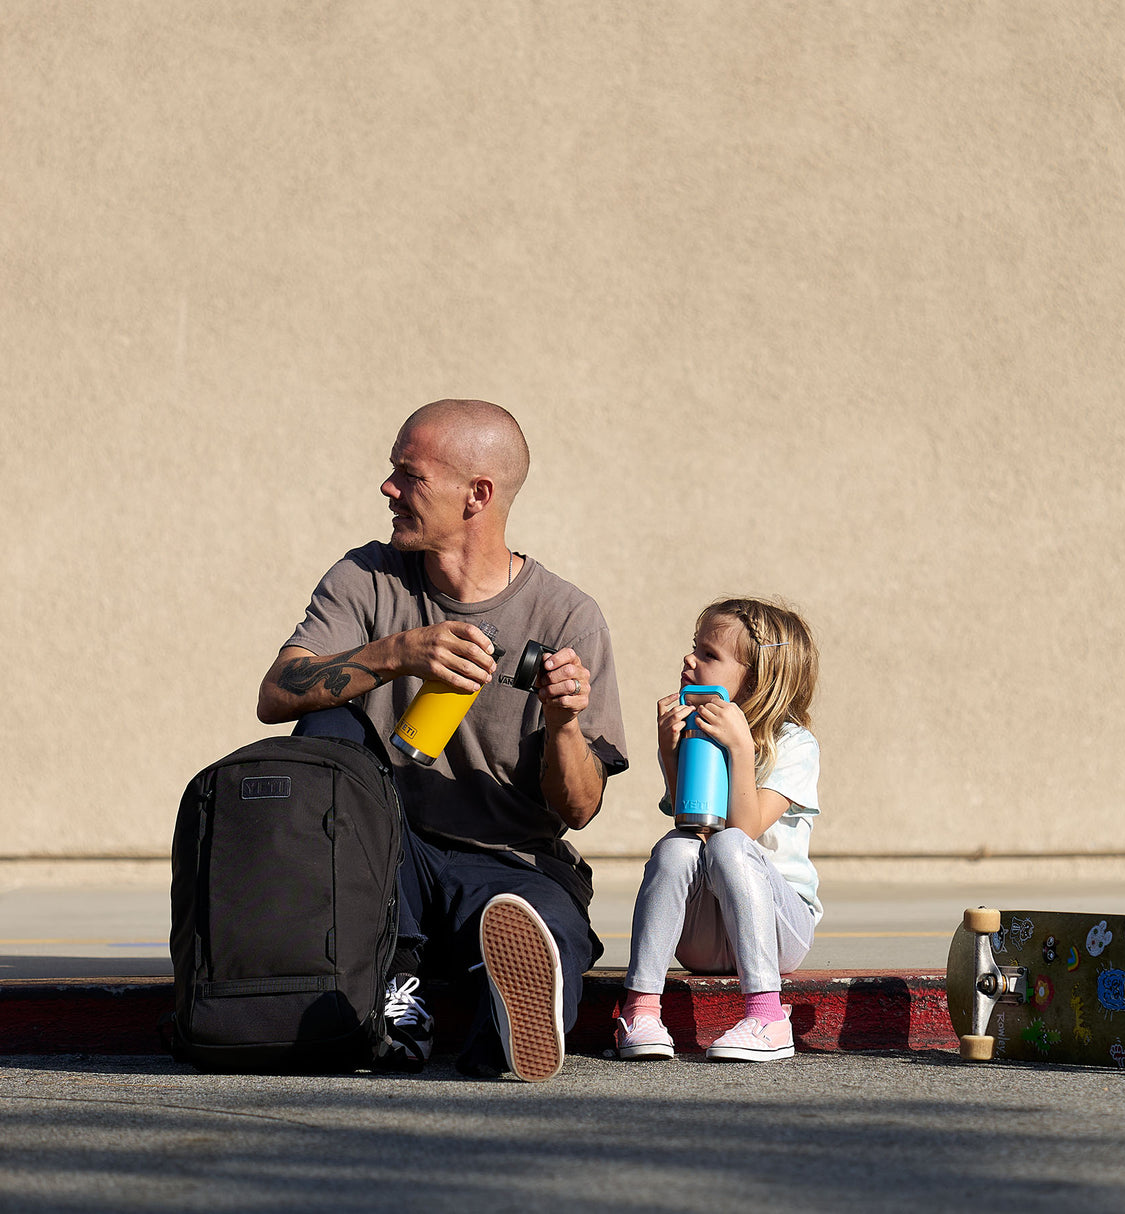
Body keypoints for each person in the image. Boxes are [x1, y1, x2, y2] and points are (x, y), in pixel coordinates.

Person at [257, 399, 627, 1082]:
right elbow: (276, 693)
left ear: (476, 496)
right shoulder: (367, 577)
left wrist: (565, 723)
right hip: (390, 851)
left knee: (542, 925)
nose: (388, 488)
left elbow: (577, 809)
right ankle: (400, 994)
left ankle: (507, 1023)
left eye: (409, 475)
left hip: (511, 861)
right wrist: (397, 653)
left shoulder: (566, 615)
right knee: (325, 726)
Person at [615, 597, 821, 1063]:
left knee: (729, 843)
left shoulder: (794, 745)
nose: (690, 659)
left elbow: (741, 831)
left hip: (779, 928)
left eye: (709, 655)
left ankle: (767, 1016)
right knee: (676, 846)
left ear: (757, 678)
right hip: (707, 934)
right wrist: (670, 754)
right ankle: (641, 1011)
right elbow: (690, 822)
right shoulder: (697, 731)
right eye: (694, 647)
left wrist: (741, 749)